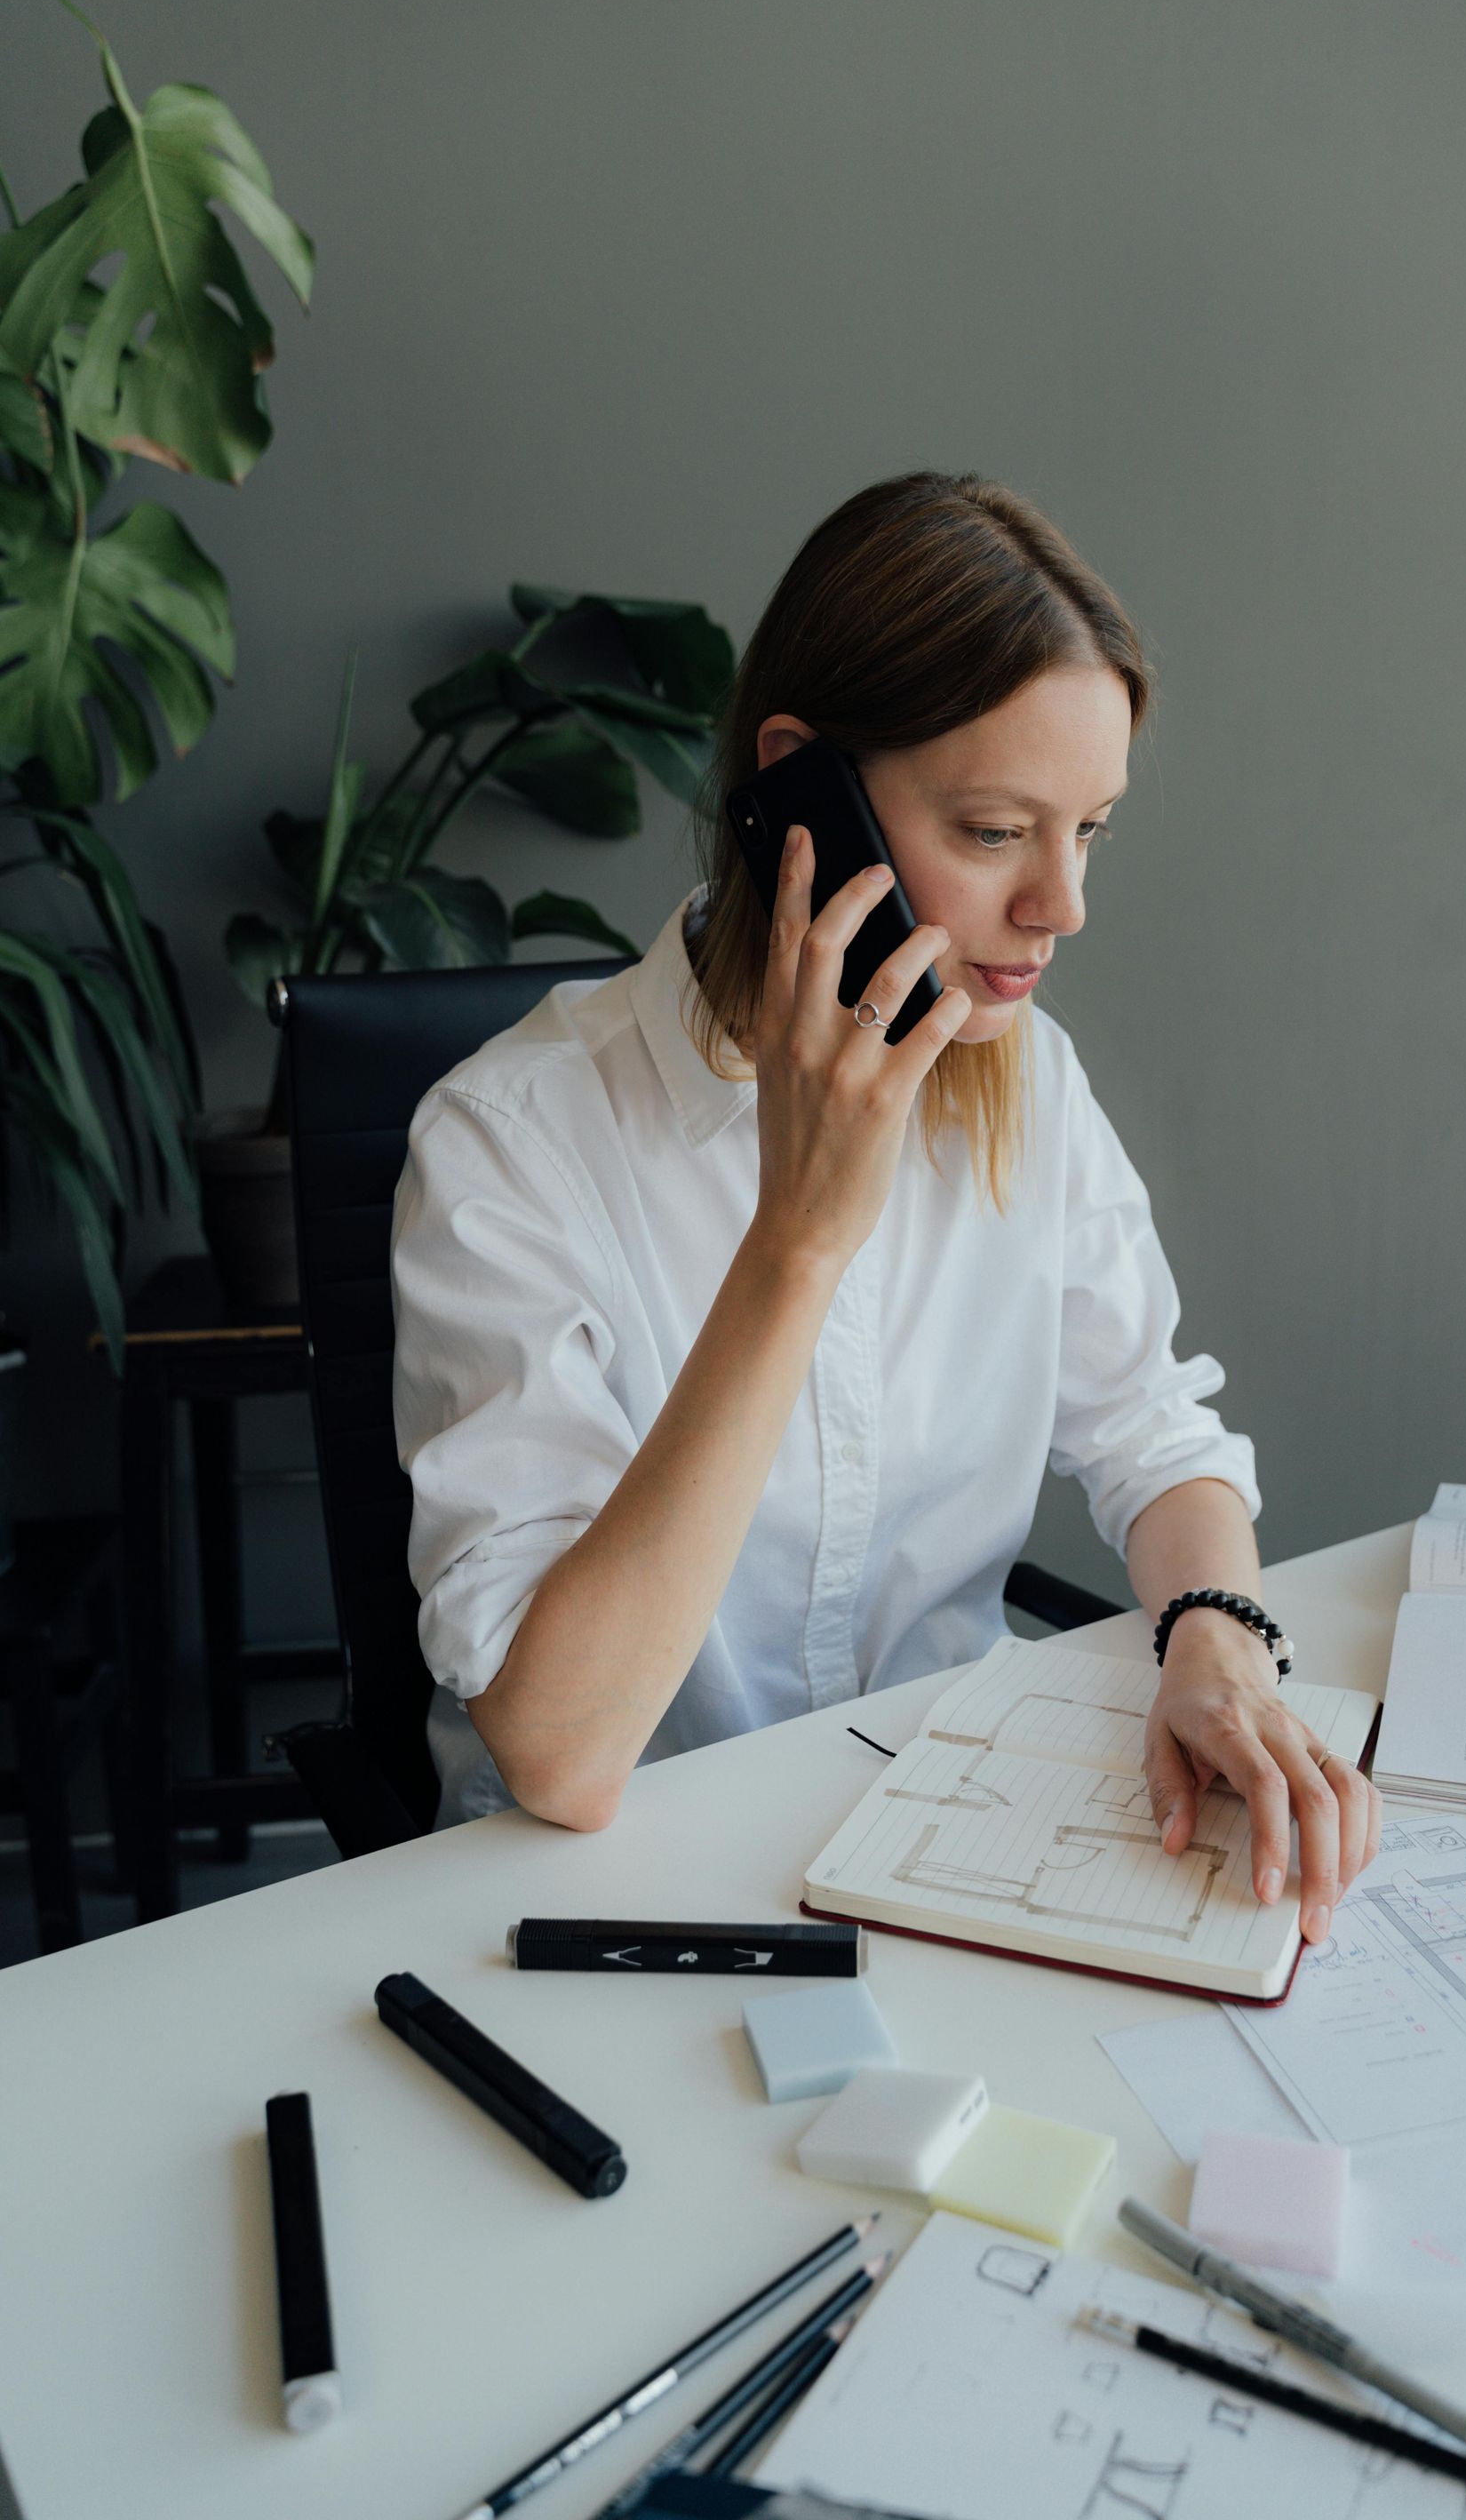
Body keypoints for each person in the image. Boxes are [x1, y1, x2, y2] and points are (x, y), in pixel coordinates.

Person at [392, 470, 1381, 1942]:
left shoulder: (1023, 1081)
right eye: (996, 832)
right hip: (593, 1911)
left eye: (1092, 829)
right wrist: (797, 1239)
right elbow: (562, 1754)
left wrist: (1217, 1647)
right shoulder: (509, 1142)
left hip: (938, 1849)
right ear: (803, 794)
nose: (1064, 907)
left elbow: (1153, 1431)